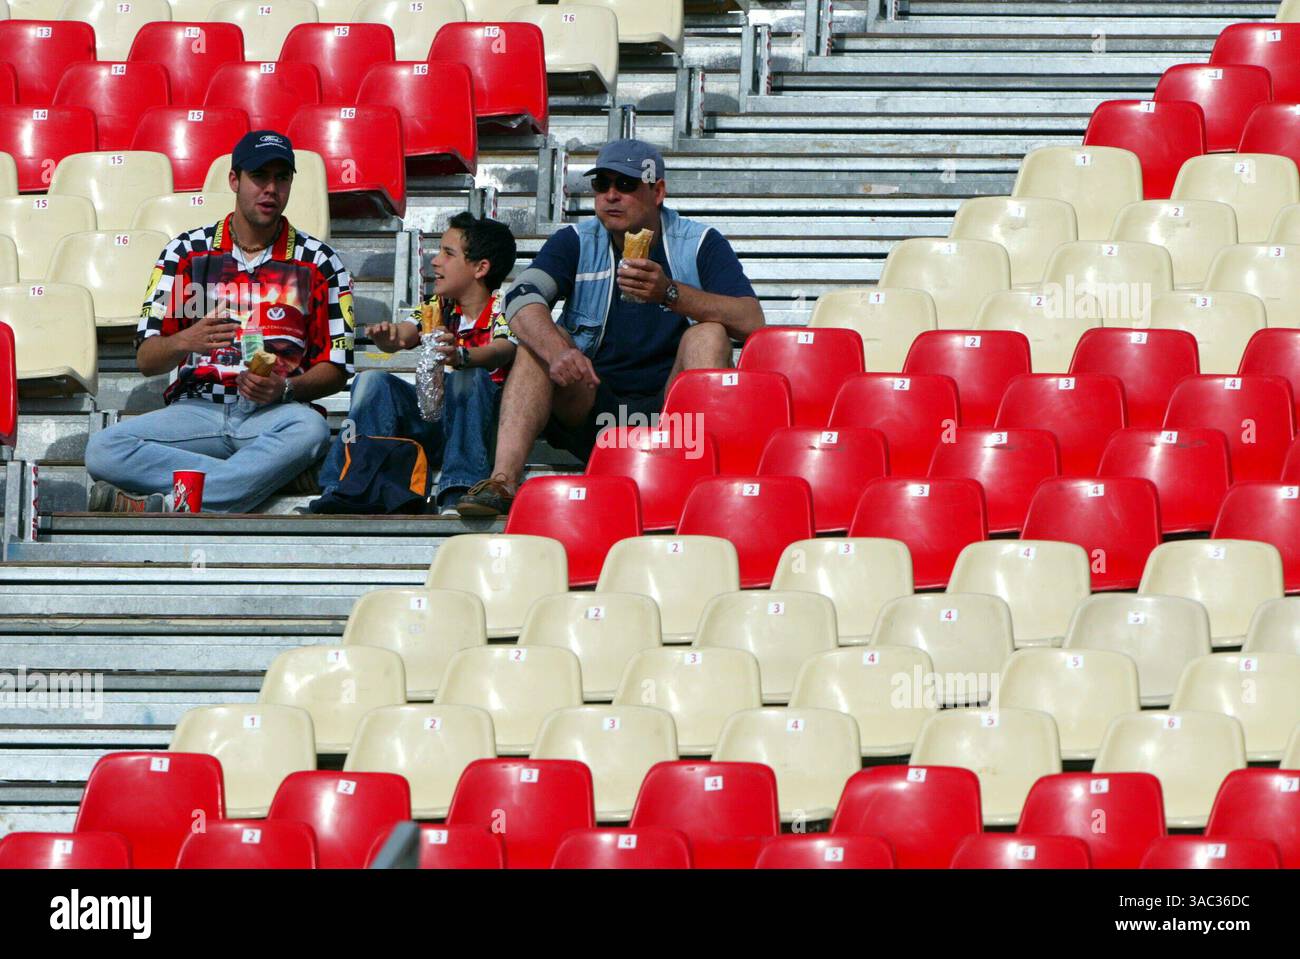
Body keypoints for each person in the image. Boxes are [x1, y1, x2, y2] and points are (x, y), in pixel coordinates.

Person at [456, 138, 765, 517]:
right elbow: (520, 297)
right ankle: (503, 481)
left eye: (626, 185)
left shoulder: (698, 242)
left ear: (658, 192)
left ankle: (698, 478)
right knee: (539, 341)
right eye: (602, 185)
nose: (611, 196)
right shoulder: (577, 240)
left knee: (709, 334)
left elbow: (752, 321)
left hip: (672, 413)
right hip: (592, 404)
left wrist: (670, 292)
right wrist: (559, 351)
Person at [84, 130, 355, 513]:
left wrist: (286, 390)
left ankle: (173, 501)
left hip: (274, 417)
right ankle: (259, 477)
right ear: (234, 180)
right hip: (195, 411)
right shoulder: (185, 253)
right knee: (103, 450)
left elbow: (338, 368)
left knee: (309, 431)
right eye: (259, 177)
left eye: (282, 178)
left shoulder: (320, 261)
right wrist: (185, 341)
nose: (271, 189)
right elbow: (147, 359)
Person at [315, 212, 517, 513]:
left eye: (448, 254)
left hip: (482, 429)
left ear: (480, 267)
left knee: (468, 378)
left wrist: (463, 357)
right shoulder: (438, 306)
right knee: (372, 380)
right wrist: (387, 337)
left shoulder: (506, 306)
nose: (435, 261)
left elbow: (503, 349)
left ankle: (458, 488)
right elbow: (405, 334)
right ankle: (344, 485)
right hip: (434, 421)